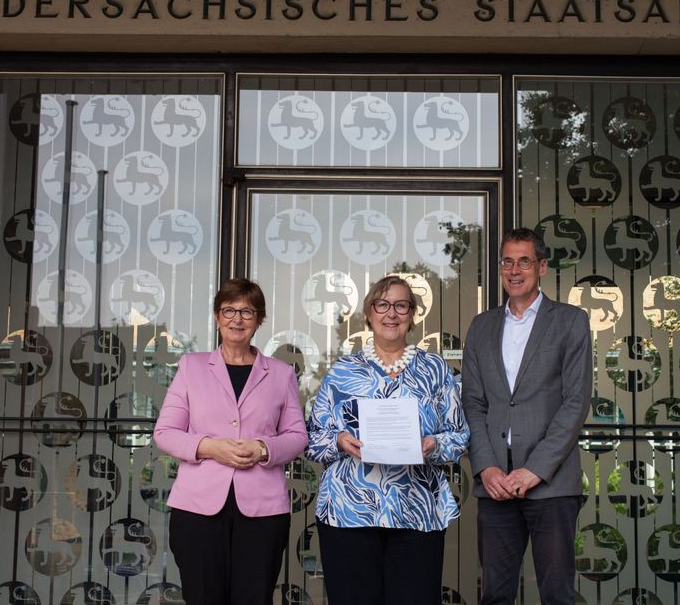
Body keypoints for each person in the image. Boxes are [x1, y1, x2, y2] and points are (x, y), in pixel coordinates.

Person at [306, 275, 470, 605]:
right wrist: (339, 441)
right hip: (349, 512)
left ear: (412, 314)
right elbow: (312, 439)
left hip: (417, 513)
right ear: (369, 313)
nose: (391, 313)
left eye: (401, 305)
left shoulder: (435, 370)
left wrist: (433, 445)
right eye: (382, 305)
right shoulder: (342, 372)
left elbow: (460, 436)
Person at [154, 278, 308, 605]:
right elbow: (165, 432)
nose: (237, 319)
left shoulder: (281, 373)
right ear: (216, 316)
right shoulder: (191, 367)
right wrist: (210, 447)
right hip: (197, 509)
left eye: (247, 312)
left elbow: (297, 437)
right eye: (229, 311)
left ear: (259, 320)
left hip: (263, 511)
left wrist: (263, 449)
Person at [461, 228, 592, 605]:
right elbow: (473, 403)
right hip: (496, 484)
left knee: (557, 595)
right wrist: (486, 468)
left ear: (542, 267)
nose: (514, 270)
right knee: (495, 595)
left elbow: (575, 403)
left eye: (524, 261)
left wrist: (535, 470)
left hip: (551, 483)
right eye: (507, 262)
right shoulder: (481, 326)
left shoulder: (570, 321)